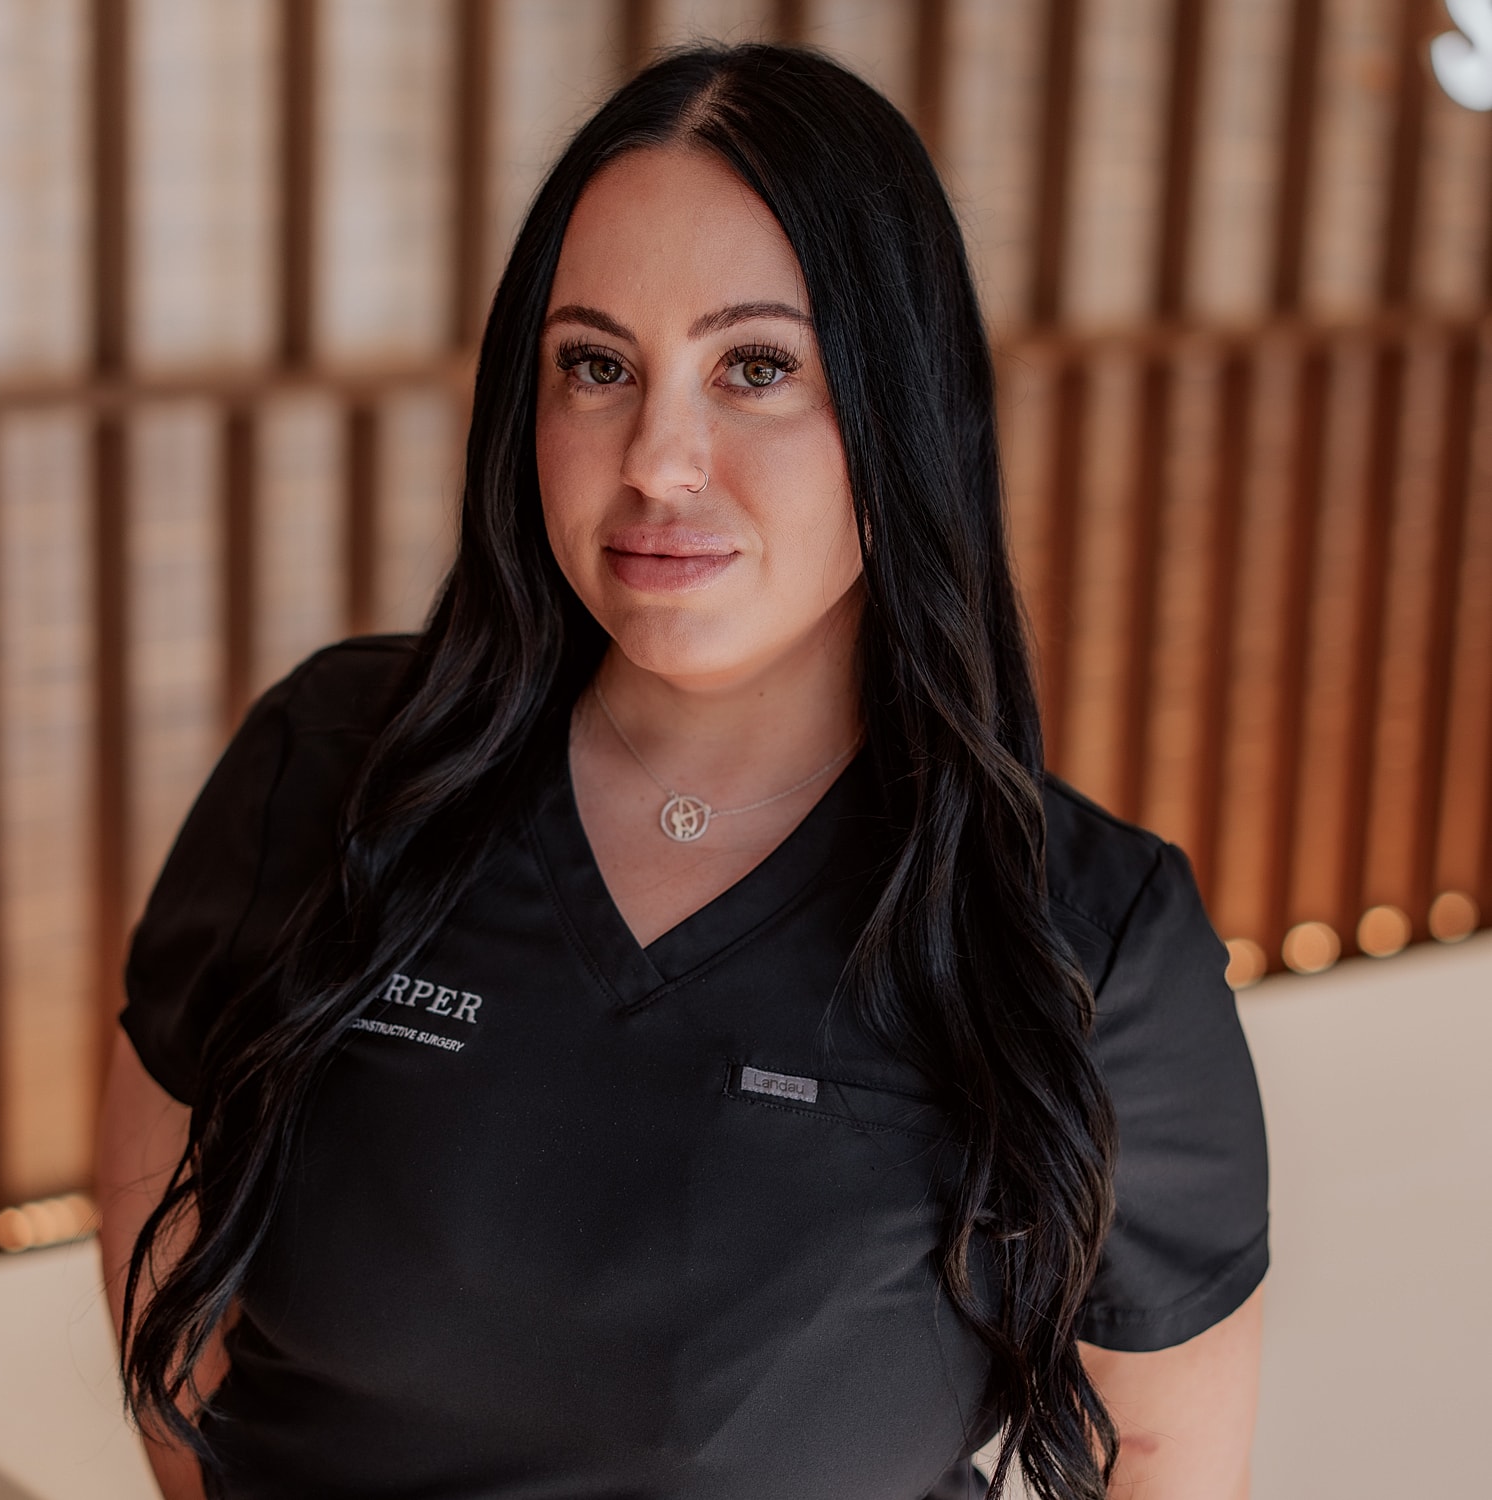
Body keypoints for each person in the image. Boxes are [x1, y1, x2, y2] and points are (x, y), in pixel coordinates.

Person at [95, 41, 1268, 1500]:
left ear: (903, 416)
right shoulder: (333, 765)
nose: (657, 459)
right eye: (598, 366)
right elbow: (162, 1207)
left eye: (756, 368)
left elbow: (1160, 1456)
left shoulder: (1087, 938)